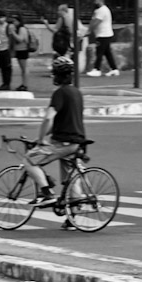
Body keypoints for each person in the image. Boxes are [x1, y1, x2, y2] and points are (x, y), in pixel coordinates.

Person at [28, 55, 88, 206]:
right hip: (78, 142)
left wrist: (41, 139)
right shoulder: (77, 92)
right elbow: (65, 121)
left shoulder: (60, 93)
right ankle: (73, 217)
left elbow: (49, 118)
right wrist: (48, 134)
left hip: (64, 143)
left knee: (29, 161)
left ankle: (47, 193)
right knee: (71, 177)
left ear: (57, 75)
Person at [89, 0, 117, 76]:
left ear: (101, 1)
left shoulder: (102, 10)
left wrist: (89, 31)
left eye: (96, 1)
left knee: (99, 52)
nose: (94, 2)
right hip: (103, 34)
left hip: (103, 34)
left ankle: (97, 69)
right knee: (107, 52)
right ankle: (114, 68)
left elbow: (96, 21)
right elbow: (93, 20)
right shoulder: (99, 10)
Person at [7, 15, 33, 91]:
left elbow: (20, 39)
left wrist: (13, 32)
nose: (14, 23)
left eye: (15, 21)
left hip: (23, 50)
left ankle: (25, 85)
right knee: (23, 69)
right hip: (19, 50)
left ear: (19, 21)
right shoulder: (18, 29)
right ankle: (23, 84)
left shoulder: (22, 29)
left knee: (24, 68)